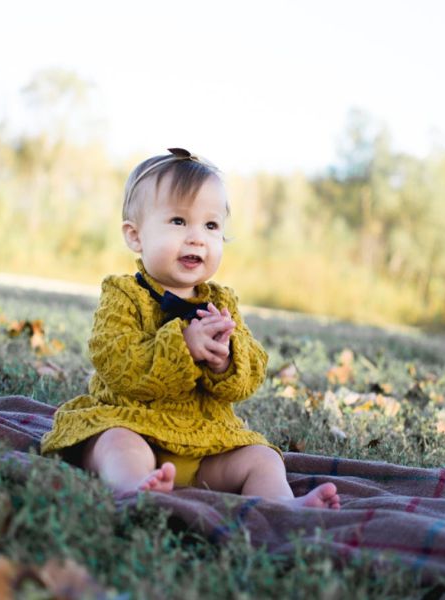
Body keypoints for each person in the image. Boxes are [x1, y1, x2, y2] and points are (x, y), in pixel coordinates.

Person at [41, 148, 340, 510]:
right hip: (134, 425)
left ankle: (281, 505)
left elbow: (252, 373)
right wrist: (182, 346)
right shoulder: (123, 295)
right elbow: (116, 362)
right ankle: (136, 487)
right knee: (114, 443)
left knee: (263, 457)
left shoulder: (222, 304)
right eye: (179, 222)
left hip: (204, 445)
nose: (197, 237)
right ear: (135, 236)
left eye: (211, 226)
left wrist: (227, 360)